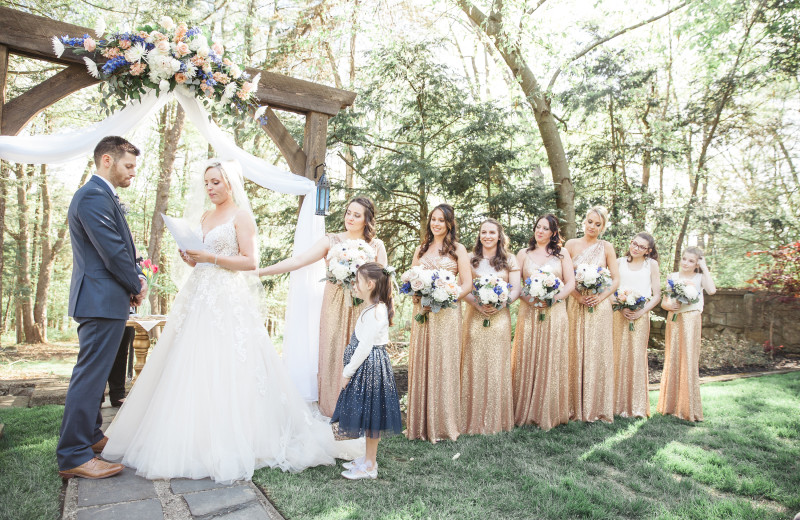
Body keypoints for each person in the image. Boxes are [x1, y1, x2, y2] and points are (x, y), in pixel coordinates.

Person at [102, 160, 363, 482]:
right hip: (198, 293)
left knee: (230, 361)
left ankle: (240, 435)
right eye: (207, 183)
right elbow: (202, 253)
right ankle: (188, 432)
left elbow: (249, 260)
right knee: (190, 361)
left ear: (229, 183)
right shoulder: (204, 217)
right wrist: (191, 256)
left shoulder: (242, 216)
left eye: (215, 182)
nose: (210, 188)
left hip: (227, 298)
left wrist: (210, 257)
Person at [57, 136, 146, 480]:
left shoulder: (103, 195)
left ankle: (92, 437)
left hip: (106, 299)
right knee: (89, 378)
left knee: (96, 377)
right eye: (128, 166)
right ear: (106, 160)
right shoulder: (93, 196)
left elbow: (120, 248)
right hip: (100, 299)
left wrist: (134, 278)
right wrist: (135, 284)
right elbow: (111, 251)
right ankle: (73, 455)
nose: (132, 173)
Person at [258, 197, 387, 416]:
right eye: (348, 213)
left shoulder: (376, 246)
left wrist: (380, 315)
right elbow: (299, 260)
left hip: (362, 307)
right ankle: (331, 411)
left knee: (360, 354)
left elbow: (383, 282)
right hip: (333, 305)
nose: (350, 218)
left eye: (357, 215)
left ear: (367, 220)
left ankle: (359, 414)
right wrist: (261, 271)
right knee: (332, 354)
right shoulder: (331, 240)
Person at [406, 204, 472, 442]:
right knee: (423, 360)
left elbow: (466, 284)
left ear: (449, 224)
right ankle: (420, 423)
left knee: (444, 362)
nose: (436, 224)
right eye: (433, 219)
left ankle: (444, 423)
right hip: (423, 313)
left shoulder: (458, 249)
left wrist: (445, 297)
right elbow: (413, 279)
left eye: (441, 220)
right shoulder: (421, 249)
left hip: (447, 313)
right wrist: (417, 296)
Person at [331, 263, 402, 480]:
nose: (354, 286)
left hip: (369, 368)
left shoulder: (376, 311)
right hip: (367, 367)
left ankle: (370, 465)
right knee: (369, 414)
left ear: (370, 284)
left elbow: (364, 347)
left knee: (372, 416)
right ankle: (367, 458)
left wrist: (348, 372)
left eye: (357, 282)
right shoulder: (371, 308)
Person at [512, 214, 575, 430]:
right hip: (529, 311)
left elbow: (570, 283)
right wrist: (530, 300)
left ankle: (549, 411)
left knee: (551, 356)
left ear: (553, 233)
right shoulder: (523, 254)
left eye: (545, 228)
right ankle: (523, 410)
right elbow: (515, 284)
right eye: (538, 227)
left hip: (555, 312)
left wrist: (554, 299)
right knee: (527, 354)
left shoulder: (562, 254)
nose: (540, 231)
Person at [460, 218, 520, 435]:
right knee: (472, 363)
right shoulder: (469, 259)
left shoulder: (509, 259)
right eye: (483, 232)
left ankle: (497, 419)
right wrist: (477, 304)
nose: (487, 236)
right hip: (474, 317)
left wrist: (501, 304)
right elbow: (462, 287)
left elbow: (516, 289)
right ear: (479, 235)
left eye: (492, 232)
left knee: (497, 365)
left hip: (500, 318)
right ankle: (469, 417)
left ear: (499, 236)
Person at [565, 206, 620, 423]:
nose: (592, 227)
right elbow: (564, 276)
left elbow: (615, 279)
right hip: (576, 303)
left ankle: (596, 406)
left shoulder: (607, 247)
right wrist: (578, 297)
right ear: (584, 221)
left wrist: (601, 297)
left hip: (599, 306)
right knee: (574, 349)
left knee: (597, 351)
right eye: (590, 222)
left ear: (603, 226)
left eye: (598, 224)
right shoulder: (570, 245)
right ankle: (572, 406)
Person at [657, 246, 716, 422]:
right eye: (684, 259)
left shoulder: (699, 277)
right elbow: (664, 301)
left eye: (691, 261)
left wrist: (704, 268)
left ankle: (688, 407)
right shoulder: (673, 277)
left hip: (691, 319)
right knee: (673, 357)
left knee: (688, 359)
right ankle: (670, 405)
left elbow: (712, 290)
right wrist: (669, 306)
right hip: (674, 319)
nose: (686, 263)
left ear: (697, 263)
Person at [612, 233, 661, 418]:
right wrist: (619, 307)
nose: (635, 248)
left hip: (641, 316)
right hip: (619, 315)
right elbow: (610, 290)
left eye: (641, 247)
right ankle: (616, 404)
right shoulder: (619, 262)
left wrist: (642, 312)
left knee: (636, 357)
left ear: (648, 251)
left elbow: (657, 295)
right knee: (618, 356)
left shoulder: (652, 265)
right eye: (634, 243)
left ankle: (636, 406)